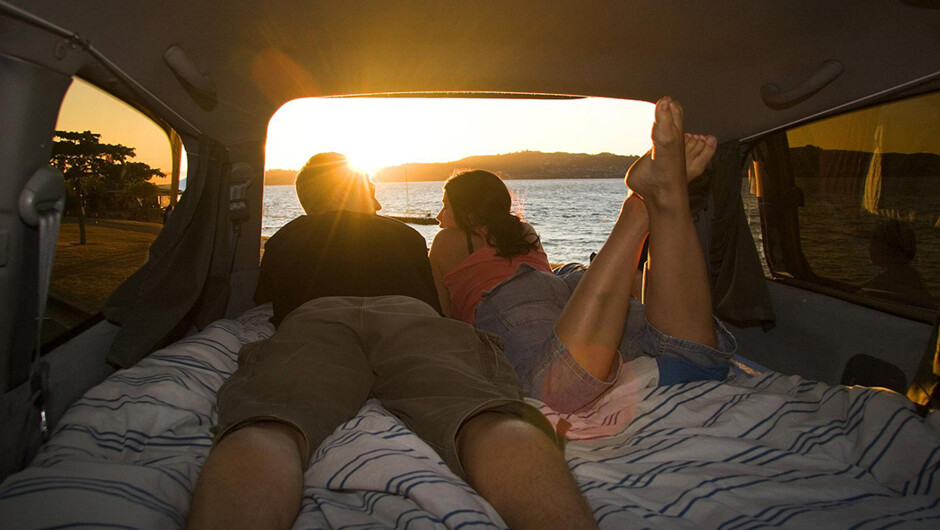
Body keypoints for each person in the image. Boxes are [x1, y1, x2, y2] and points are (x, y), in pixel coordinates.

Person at [187, 153, 598, 530]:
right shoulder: (403, 236)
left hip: (317, 315)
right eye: (371, 192)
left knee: (271, 421)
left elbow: (268, 297)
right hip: (408, 313)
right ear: (350, 193)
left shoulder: (289, 235)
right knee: (485, 416)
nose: (380, 204)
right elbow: (434, 303)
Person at [429, 97, 736, 413]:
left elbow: (444, 315)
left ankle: (637, 209)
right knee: (693, 355)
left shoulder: (448, 241)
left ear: (465, 211)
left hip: (511, 297)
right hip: (572, 286)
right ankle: (663, 200)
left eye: (445, 206)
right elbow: (544, 283)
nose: (439, 216)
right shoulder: (523, 231)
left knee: (552, 393)